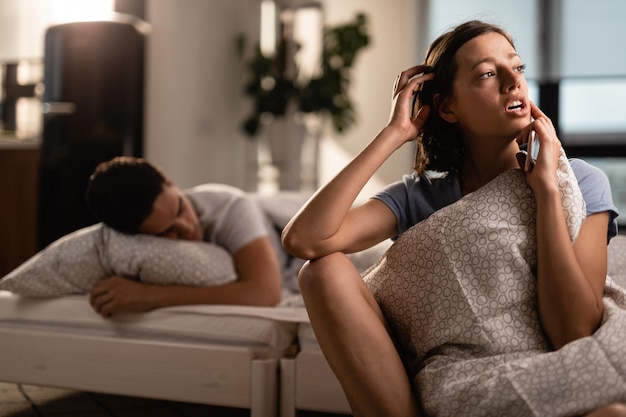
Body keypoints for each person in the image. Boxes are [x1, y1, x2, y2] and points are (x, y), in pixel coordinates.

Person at [281, 20, 625, 417]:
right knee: (321, 272)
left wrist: (547, 190)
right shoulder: (419, 196)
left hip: (549, 369)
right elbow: (305, 241)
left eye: (517, 67)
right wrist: (394, 133)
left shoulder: (580, 181)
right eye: (487, 74)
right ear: (448, 107)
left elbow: (575, 332)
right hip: (457, 377)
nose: (513, 82)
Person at [85, 156, 292, 317]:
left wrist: (149, 295)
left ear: (171, 183)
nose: (186, 227)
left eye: (180, 208)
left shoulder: (231, 208)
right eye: (167, 232)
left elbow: (267, 293)